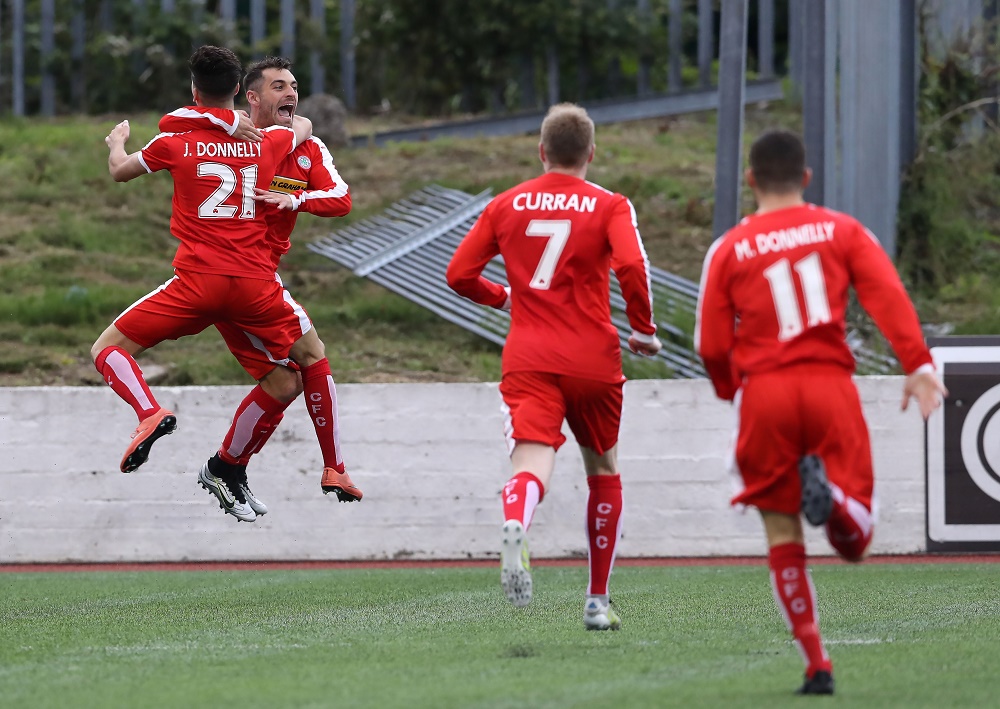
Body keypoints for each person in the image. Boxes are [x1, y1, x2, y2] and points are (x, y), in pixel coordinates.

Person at [695, 129, 947, 695]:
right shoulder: (841, 230)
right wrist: (918, 364)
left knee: (782, 530)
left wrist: (730, 389)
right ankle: (832, 499)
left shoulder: (731, 248)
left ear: (751, 180)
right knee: (854, 541)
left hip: (767, 394)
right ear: (806, 178)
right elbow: (886, 294)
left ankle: (817, 663)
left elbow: (711, 344)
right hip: (830, 386)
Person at [446, 103, 662, 630]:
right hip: (593, 356)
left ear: (542, 152)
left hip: (531, 356)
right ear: (590, 153)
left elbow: (458, 274)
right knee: (603, 470)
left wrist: (504, 299)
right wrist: (643, 330)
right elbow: (632, 265)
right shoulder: (610, 205)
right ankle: (596, 603)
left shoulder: (505, 204)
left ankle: (518, 520)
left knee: (530, 458)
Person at [94, 45, 312, 523]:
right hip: (254, 284)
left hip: (197, 283)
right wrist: (285, 179)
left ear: (194, 90)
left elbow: (119, 171)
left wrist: (115, 143)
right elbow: (302, 135)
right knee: (288, 380)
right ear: (240, 90)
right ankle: (235, 464)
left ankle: (150, 414)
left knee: (108, 348)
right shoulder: (270, 140)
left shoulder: (174, 141)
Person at [156, 56, 361, 514]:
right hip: (235, 275)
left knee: (284, 384)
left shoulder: (308, 149)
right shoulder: (231, 138)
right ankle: (333, 466)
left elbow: (341, 198)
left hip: (254, 279)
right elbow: (180, 124)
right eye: (278, 87)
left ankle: (226, 467)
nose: (290, 94)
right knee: (311, 355)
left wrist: (295, 198)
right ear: (251, 97)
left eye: (294, 86)